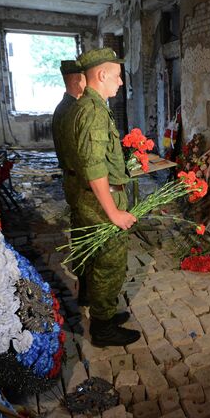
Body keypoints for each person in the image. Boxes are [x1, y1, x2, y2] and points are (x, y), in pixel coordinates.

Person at [62, 47, 140, 346]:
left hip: (88, 200)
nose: (121, 82)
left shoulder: (84, 106)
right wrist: (114, 212)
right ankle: (103, 328)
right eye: (118, 76)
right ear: (102, 75)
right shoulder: (93, 111)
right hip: (99, 202)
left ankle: (101, 312)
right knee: (110, 263)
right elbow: (94, 169)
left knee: (96, 261)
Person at [51, 59, 89, 304]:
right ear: (78, 80)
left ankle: (86, 288)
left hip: (74, 182)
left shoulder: (64, 107)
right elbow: (79, 157)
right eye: (86, 78)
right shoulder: (71, 111)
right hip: (79, 185)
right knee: (86, 237)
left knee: (82, 235)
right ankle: (86, 291)